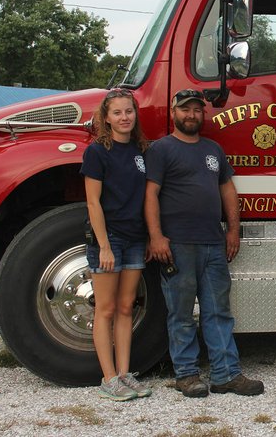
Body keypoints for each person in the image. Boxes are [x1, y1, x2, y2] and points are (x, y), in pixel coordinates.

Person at [145, 89, 264, 398]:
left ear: (203, 114)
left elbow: (228, 190)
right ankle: (186, 375)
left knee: (218, 311)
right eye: (186, 110)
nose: (191, 115)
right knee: (182, 314)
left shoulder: (213, 150)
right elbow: (150, 195)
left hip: (213, 243)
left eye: (197, 110)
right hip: (178, 245)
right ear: (174, 112)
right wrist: (156, 236)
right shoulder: (161, 149)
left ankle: (226, 374)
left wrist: (233, 230)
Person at [82, 88, 153, 401]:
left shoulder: (140, 151)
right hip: (108, 241)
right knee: (106, 309)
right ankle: (108, 378)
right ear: (106, 118)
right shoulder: (97, 151)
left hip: (136, 238)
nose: (125, 117)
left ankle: (125, 374)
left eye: (129, 111)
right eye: (117, 113)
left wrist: (150, 236)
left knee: (127, 308)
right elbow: (93, 203)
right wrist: (105, 246)